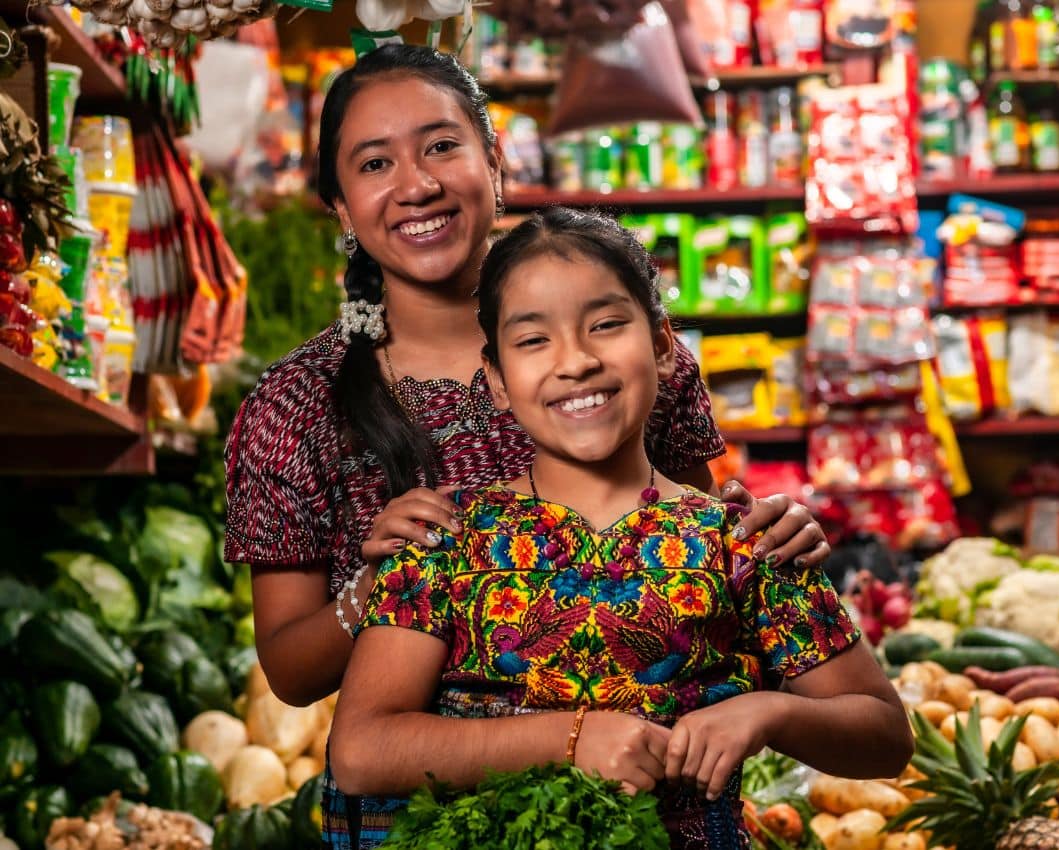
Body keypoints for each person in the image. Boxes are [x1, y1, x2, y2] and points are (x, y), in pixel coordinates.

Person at [222, 44, 834, 848]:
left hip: (639, 808)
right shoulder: (298, 403)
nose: (417, 184)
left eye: (442, 145)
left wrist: (767, 534)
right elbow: (293, 676)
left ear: (494, 158)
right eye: (375, 163)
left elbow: (689, 543)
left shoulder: (626, 366)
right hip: (419, 817)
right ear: (340, 206)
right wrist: (375, 586)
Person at [328, 207, 913, 849]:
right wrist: (571, 738)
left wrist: (771, 711)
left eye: (606, 325)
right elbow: (361, 749)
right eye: (532, 340)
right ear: (495, 379)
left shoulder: (741, 544)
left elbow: (884, 736)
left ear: (663, 347)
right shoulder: (449, 539)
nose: (576, 361)